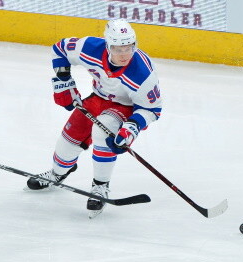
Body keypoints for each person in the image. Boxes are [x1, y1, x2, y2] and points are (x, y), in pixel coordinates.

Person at [26, 19, 162, 218]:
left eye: (128, 48)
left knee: (103, 129)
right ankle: (57, 173)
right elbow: (60, 49)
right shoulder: (89, 47)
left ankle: (100, 186)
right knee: (67, 143)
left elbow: (152, 109)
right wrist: (63, 81)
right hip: (97, 98)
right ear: (107, 46)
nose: (124, 54)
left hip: (124, 107)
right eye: (118, 48)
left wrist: (131, 128)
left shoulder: (142, 73)